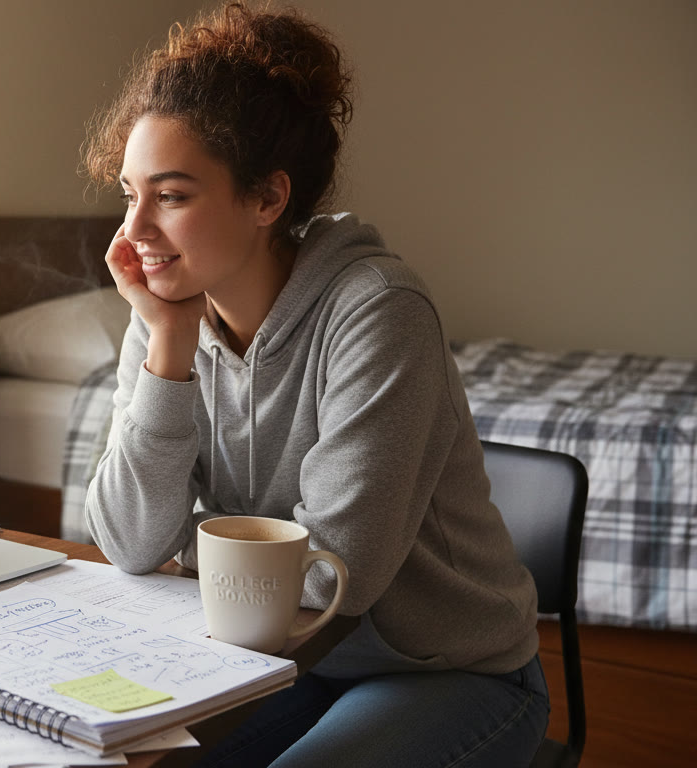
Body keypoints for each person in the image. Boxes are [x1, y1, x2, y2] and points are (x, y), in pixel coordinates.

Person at [80, 3, 549, 766]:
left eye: (170, 196)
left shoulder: (378, 311)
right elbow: (132, 544)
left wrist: (189, 548)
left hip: (449, 674)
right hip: (288, 663)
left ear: (267, 199)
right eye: (129, 194)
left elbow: (339, 571)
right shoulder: (166, 313)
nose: (134, 232)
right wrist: (167, 346)